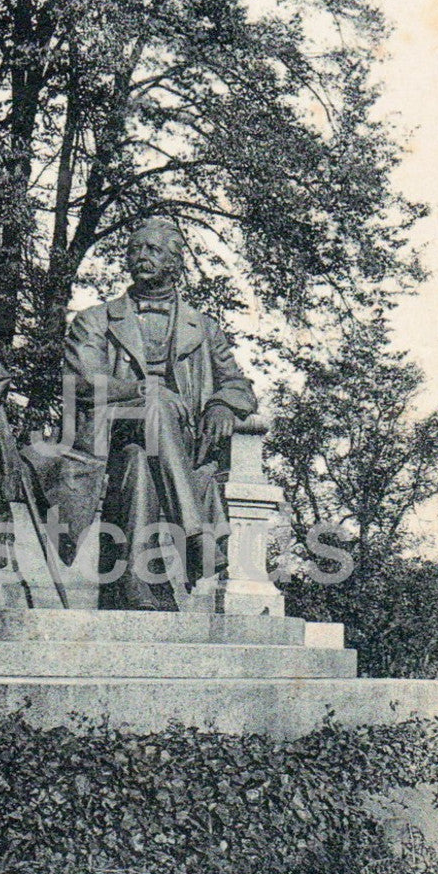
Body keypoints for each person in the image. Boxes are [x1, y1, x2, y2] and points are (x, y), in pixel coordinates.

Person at [61, 216, 257, 610]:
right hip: (109, 430)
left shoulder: (203, 327)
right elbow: (81, 383)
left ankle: (138, 585)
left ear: (174, 262)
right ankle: (195, 536)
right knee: (157, 402)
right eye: (135, 249)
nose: (141, 256)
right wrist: (141, 389)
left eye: (152, 249)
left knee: (139, 461)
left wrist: (221, 404)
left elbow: (239, 385)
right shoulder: (95, 320)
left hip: (169, 444)